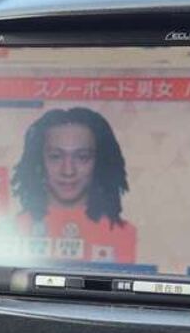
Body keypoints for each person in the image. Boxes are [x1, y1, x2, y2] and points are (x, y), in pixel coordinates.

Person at [12, 107, 136, 264]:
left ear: (100, 163)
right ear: (38, 161)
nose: (68, 171)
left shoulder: (124, 233)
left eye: (82, 157)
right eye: (55, 157)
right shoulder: (12, 229)